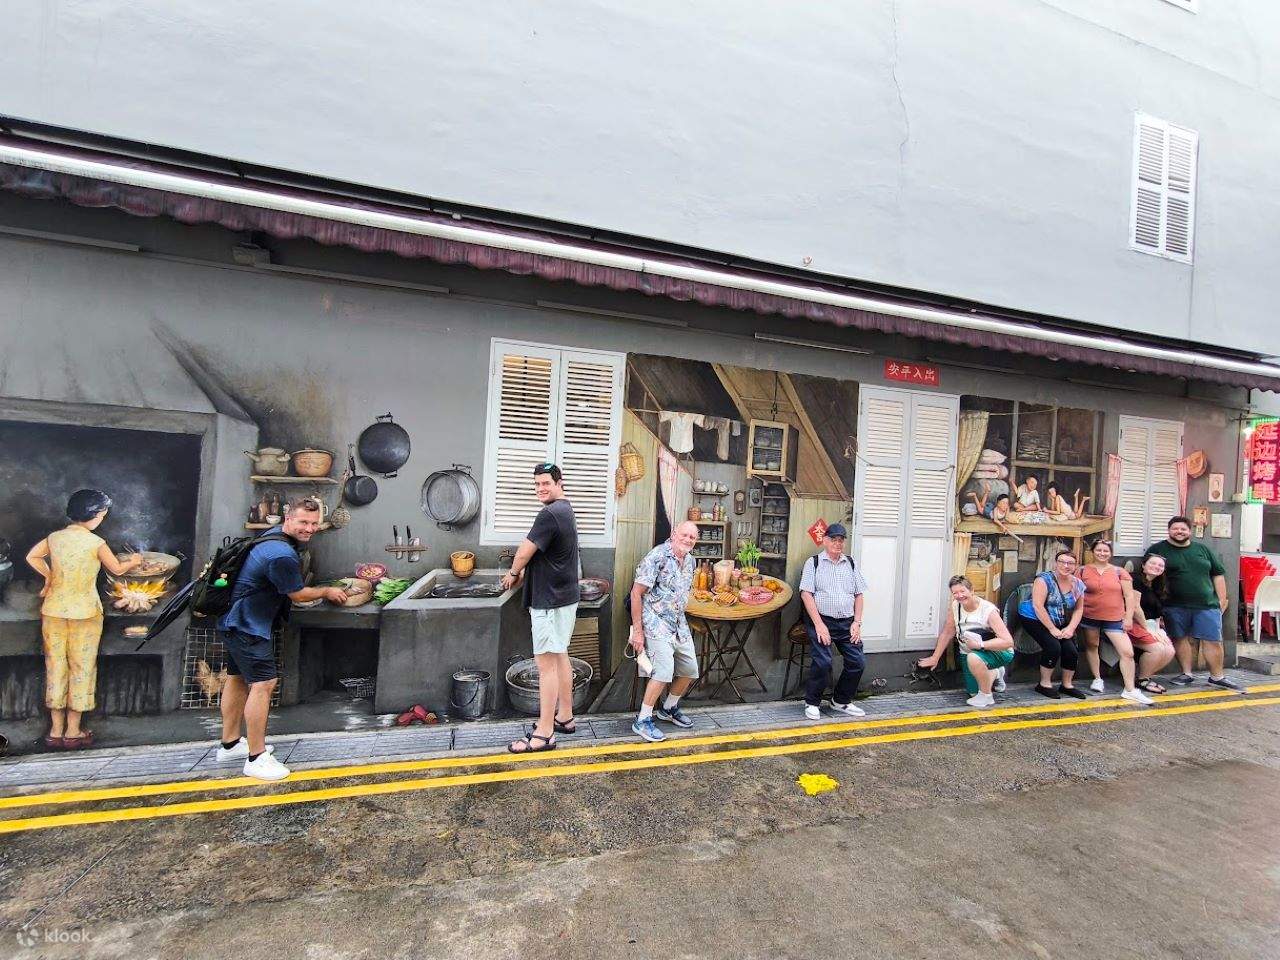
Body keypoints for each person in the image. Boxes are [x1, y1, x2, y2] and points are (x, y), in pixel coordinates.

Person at [217, 497, 348, 780]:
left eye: (314, 524)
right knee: (264, 683)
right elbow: (298, 594)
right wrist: (326, 591)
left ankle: (229, 744)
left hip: (234, 620)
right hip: (248, 625)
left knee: (238, 678)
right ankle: (256, 758)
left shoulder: (271, 538)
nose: (309, 528)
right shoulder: (282, 555)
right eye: (303, 522)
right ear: (288, 519)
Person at [25, 489, 144, 750]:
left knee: (55, 667)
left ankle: (54, 731)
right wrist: (134, 560)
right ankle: (73, 731)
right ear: (96, 515)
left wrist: (49, 576)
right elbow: (117, 569)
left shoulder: (55, 538)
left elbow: (32, 556)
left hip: (53, 610)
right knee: (82, 669)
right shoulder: (96, 543)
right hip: (85, 614)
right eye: (103, 514)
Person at [502, 463, 582, 753]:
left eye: (546, 483)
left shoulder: (549, 513)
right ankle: (565, 716)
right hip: (563, 597)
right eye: (536, 484)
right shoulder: (565, 509)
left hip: (550, 600)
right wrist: (527, 570)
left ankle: (545, 732)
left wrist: (513, 572)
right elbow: (546, 552)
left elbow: (525, 550)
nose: (540, 489)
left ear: (559, 483)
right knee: (560, 655)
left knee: (545, 664)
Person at [1146, 517, 1240, 690]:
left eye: (1183, 529)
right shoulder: (1158, 549)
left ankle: (1217, 677)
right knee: (1179, 638)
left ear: (1189, 531)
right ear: (1169, 530)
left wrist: (1221, 600)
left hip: (1207, 604)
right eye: (1175, 529)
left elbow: (1218, 574)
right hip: (1173, 605)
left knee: (1213, 640)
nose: (1179, 532)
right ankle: (1186, 673)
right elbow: (1148, 574)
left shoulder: (1202, 549)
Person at [628, 522, 700, 743]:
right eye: (684, 535)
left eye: (692, 537)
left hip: (678, 622)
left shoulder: (690, 561)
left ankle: (668, 709)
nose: (688, 540)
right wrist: (638, 632)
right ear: (673, 534)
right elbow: (635, 593)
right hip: (655, 621)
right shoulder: (657, 556)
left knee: (690, 669)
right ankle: (642, 720)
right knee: (663, 671)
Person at [798, 523, 868, 720]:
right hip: (822, 620)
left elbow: (859, 594)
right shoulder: (814, 563)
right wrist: (819, 624)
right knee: (823, 662)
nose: (838, 544)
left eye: (841, 540)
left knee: (858, 662)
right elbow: (806, 594)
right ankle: (812, 702)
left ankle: (841, 701)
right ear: (825, 540)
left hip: (847, 622)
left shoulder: (850, 563)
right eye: (833, 539)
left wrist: (857, 622)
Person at [917, 575, 1015, 708]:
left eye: (962, 591)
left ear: (972, 590)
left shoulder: (988, 610)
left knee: (973, 658)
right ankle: (996, 673)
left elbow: (1008, 641)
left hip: (997, 652)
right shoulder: (956, 606)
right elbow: (948, 632)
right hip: (967, 652)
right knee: (973, 692)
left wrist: (980, 645)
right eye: (955, 593)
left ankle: (987, 696)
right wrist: (935, 657)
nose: (959, 596)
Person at [1077, 540, 1154, 705]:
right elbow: (1076, 593)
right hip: (1089, 616)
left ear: (1110, 553)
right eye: (1099, 550)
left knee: (1127, 652)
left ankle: (1130, 689)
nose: (1102, 553)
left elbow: (1129, 597)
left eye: (1106, 551)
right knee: (1092, 646)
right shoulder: (1082, 571)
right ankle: (1097, 678)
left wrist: (1128, 618)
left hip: (1114, 618)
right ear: (1093, 551)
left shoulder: (1120, 572)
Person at [1018, 550, 1088, 699]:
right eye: (1062, 562)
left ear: (1076, 566)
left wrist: (1070, 628)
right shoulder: (1044, 580)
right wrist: (1052, 629)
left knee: (1071, 650)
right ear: (1056, 563)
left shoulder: (1078, 584)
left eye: (1070, 563)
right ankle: (1044, 684)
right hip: (1034, 618)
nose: (1066, 565)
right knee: (1053, 646)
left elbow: (1079, 608)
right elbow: (1038, 606)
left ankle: (1067, 685)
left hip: (1059, 620)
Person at [1125, 553, 1177, 695]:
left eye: (1160, 565)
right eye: (1153, 563)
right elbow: (1136, 608)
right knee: (1157, 649)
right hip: (1133, 622)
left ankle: (1145, 676)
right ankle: (1142, 679)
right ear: (1143, 565)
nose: (1156, 567)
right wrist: (1148, 630)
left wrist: (1159, 630)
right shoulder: (1135, 580)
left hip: (1152, 624)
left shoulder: (1159, 585)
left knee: (1169, 650)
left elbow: (1158, 612)